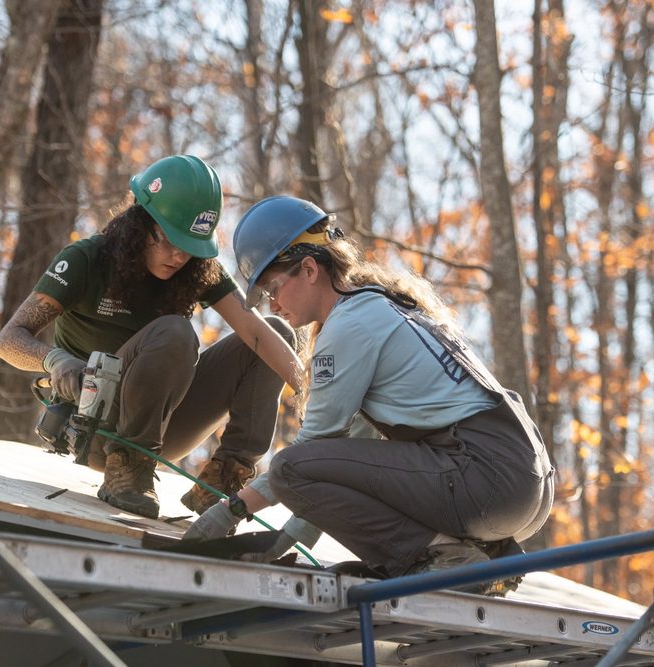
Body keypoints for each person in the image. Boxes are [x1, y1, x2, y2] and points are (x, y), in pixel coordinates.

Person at [185, 196, 554, 593]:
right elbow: (343, 462)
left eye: (273, 288)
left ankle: (441, 556)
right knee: (303, 468)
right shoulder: (380, 308)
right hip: (520, 483)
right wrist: (286, 539)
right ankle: (486, 554)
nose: (273, 304)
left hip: (483, 477)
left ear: (309, 269)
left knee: (292, 465)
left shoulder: (349, 326)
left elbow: (307, 459)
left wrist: (230, 511)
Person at [0, 155, 301, 520]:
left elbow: (256, 333)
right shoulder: (86, 260)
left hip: (165, 429)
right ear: (140, 223)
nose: (178, 256)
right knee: (174, 331)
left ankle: (223, 482)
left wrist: (322, 395)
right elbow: (8, 340)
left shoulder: (198, 271)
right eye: (168, 240)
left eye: (189, 247)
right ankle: (127, 470)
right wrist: (54, 360)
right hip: (98, 429)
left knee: (276, 335)